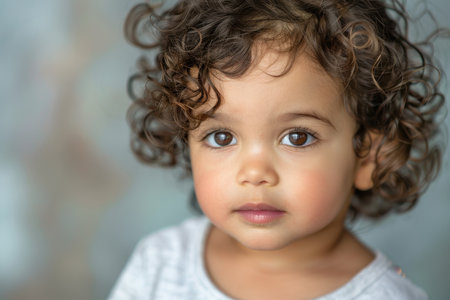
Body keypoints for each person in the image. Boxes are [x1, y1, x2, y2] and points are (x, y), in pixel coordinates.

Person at [110, 0, 447, 299]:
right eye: (222, 137)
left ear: (370, 156)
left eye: (297, 137)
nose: (255, 173)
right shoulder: (159, 263)